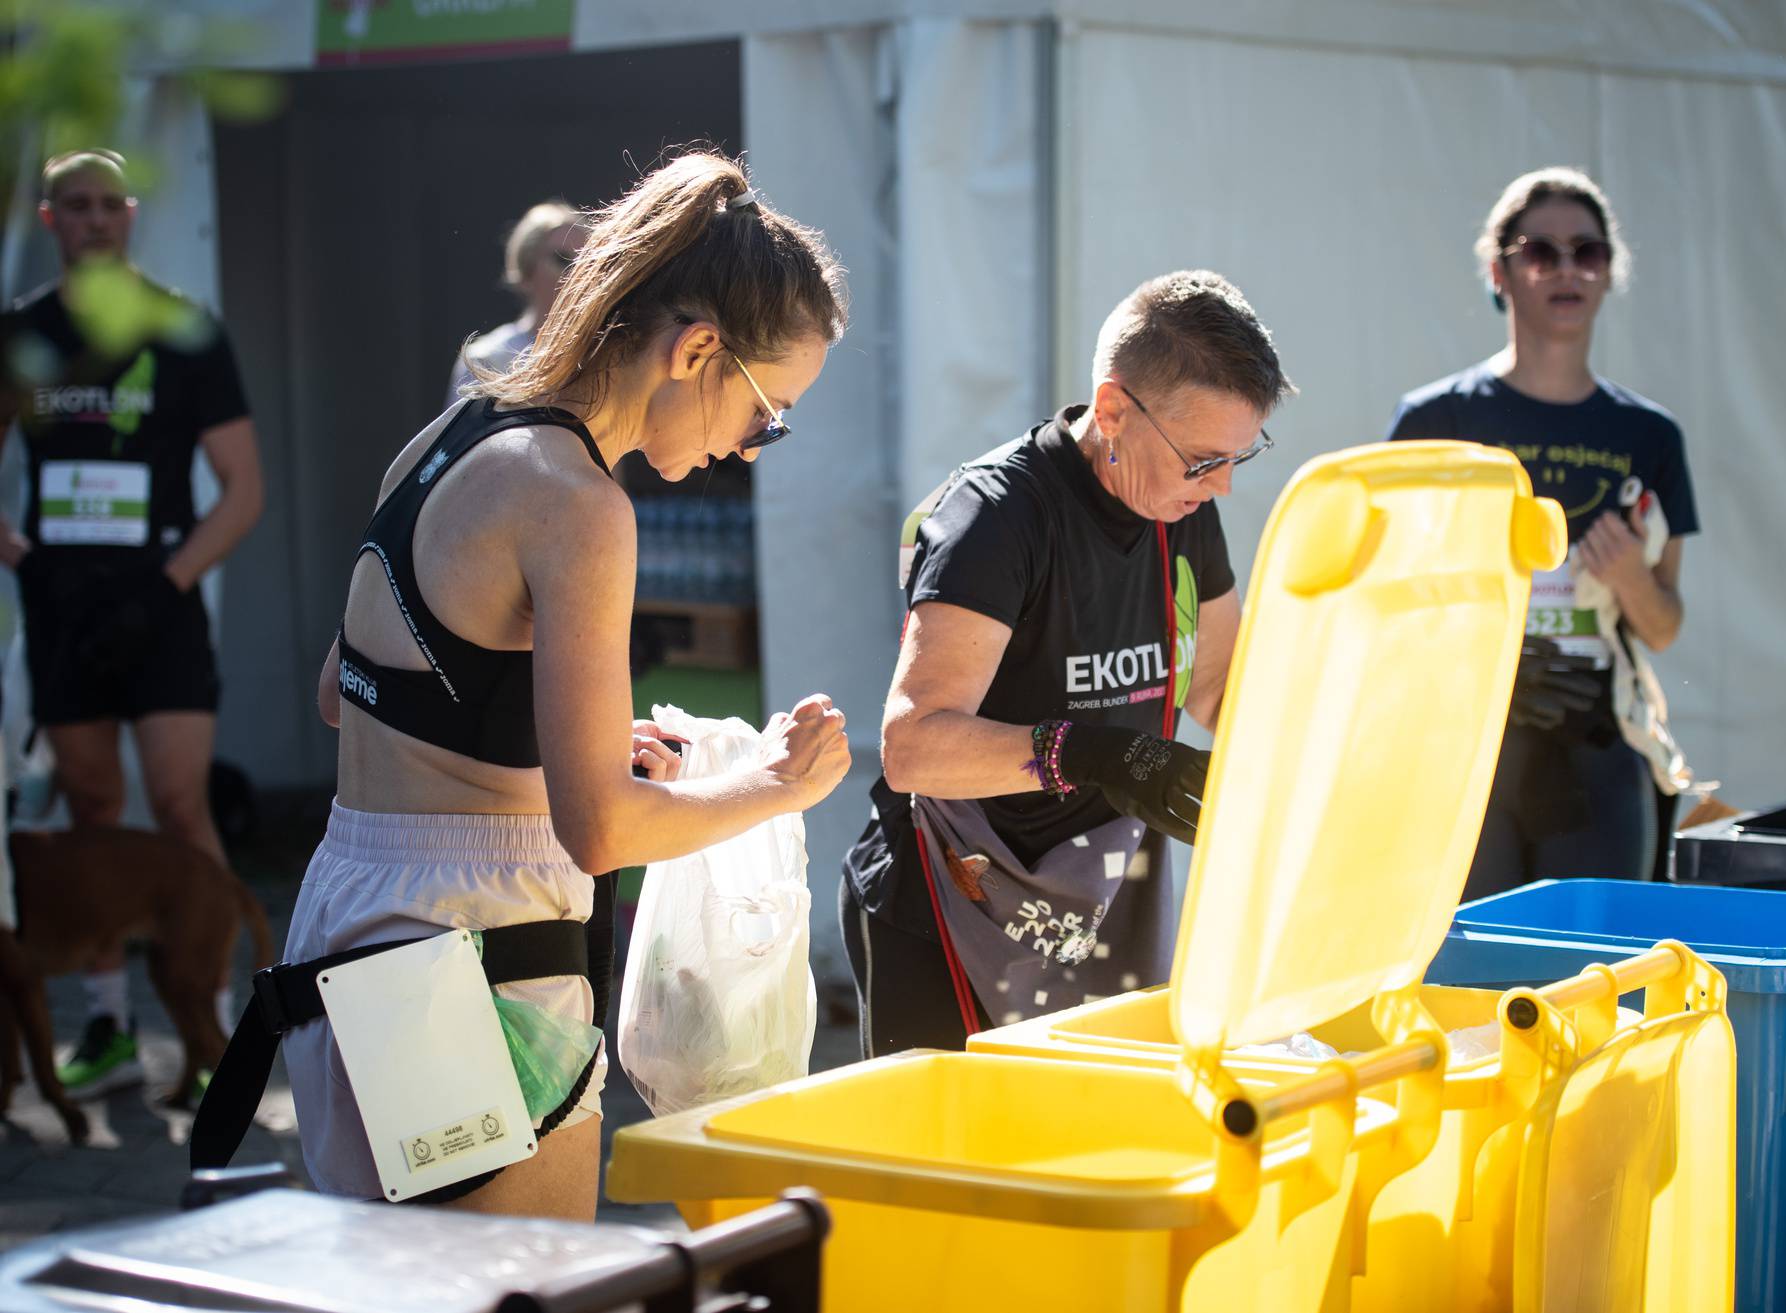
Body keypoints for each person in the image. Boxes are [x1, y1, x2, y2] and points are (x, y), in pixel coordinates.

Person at [193, 152, 852, 1221]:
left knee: (403, 1285)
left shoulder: (453, 435)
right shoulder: (579, 501)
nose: (750, 448)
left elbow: (347, 690)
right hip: (474, 947)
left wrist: (549, 727)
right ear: (696, 350)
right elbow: (601, 831)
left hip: (356, 913)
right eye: (765, 412)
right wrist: (779, 782)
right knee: (519, 1286)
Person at [841, 270, 1293, 1056]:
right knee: (955, 1173)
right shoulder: (997, 515)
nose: (1219, 485)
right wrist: (1090, 752)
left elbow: (1222, 689)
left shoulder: (1177, 505)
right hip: (951, 894)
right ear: (1114, 409)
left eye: (1236, 458)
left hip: (1098, 892)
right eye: (1200, 459)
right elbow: (913, 747)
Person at [0, 148, 265, 1096]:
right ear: (50, 220)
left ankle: (221, 1025)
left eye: (111, 204)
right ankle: (109, 1022)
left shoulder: (183, 330)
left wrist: (169, 580)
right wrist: (24, 556)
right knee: (91, 804)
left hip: (160, 600)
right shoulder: (22, 332)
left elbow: (242, 488)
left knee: (180, 798)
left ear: (134, 215)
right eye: (77, 206)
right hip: (61, 604)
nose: (96, 220)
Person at [1388, 166, 1699, 900]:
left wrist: (1628, 577)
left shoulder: (1648, 433)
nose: (1567, 270)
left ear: (1609, 272)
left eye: (1588, 253)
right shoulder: (1436, 420)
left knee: (1592, 982)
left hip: (1597, 746)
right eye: (1542, 252)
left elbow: (1665, 627)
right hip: (1468, 739)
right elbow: (1390, 597)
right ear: (1500, 271)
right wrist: (1488, 656)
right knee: (1469, 982)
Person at [446, 200, 583, 406]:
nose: (575, 273)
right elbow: (465, 437)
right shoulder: (485, 360)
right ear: (526, 271)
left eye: (586, 262)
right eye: (562, 259)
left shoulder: (603, 359)